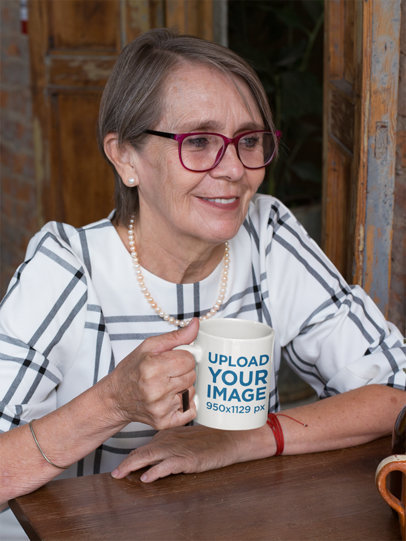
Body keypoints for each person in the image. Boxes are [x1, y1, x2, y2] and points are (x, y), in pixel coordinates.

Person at [0, 28, 405, 539]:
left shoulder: (266, 232)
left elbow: (396, 388)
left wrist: (244, 440)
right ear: (126, 157)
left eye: (249, 140)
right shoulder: (68, 267)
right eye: (199, 141)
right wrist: (114, 403)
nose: (235, 170)